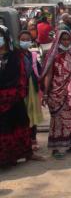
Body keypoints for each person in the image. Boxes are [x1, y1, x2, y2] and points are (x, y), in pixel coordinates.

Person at [0, 26, 40, 167]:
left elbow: (22, 75)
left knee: (20, 124)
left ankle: (25, 154)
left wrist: (16, 92)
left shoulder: (16, 55)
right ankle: (5, 159)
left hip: (14, 97)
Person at [41, 30, 71, 160]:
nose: (65, 42)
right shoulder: (53, 55)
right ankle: (56, 148)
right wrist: (46, 94)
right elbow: (49, 75)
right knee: (57, 120)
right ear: (58, 40)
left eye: (67, 39)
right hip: (56, 93)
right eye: (63, 39)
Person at [18, 31, 44, 152]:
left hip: (32, 89)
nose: (25, 42)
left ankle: (33, 139)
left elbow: (38, 71)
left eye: (27, 39)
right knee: (23, 114)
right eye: (22, 39)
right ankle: (24, 141)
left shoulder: (32, 55)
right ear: (18, 40)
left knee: (33, 114)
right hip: (20, 89)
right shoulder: (15, 55)